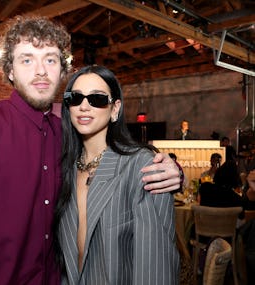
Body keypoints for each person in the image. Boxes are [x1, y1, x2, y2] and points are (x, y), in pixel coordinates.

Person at [0, 16, 181, 285]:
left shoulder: (65, 134)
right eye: (27, 59)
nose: (40, 71)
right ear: (9, 70)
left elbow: (114, 155)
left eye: (50, 59)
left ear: (62, 69)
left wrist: (173, 170)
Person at [54, 65, 179, 284]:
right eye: (76, 98)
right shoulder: (64, 168)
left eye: (97, 99)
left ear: (114, 109)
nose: (84, 106)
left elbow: (155, 269)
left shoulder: (141, 166)